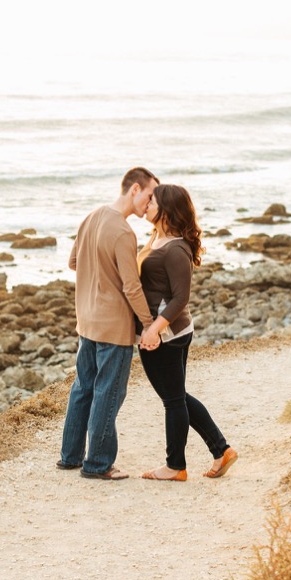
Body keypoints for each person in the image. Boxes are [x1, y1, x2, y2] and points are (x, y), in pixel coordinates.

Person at [58, 167, 160, 480]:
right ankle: (98, 463)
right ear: (135, 189)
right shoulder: (124, 232)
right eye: (150, 194)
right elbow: (132, 286)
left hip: (86, 321)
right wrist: (148, 323)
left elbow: (74, 262)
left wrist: (98, 276)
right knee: (109, 392)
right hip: (114, 327)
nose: (151, 202)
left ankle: (70, 456)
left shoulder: (91, 217)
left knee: (83, 388)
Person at [134, 183, 237, 482]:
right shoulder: (157, 237)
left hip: (168, 334)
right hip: (166, 331)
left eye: (153, 201)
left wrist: (153, 330)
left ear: (166, 209)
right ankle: (221, 450)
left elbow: (181, 298)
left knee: (173, 399)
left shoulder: (176, 247)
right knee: (176, 396)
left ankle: (175, 465)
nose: (148, 204)